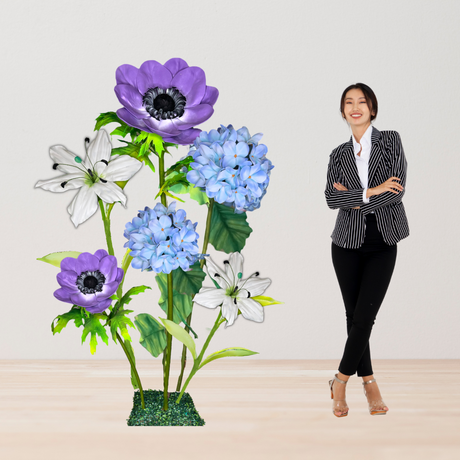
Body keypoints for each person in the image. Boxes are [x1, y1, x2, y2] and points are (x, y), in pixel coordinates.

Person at [324, 83, 409, 417]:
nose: (355, 107)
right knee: (354, 317)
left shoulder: (391, 140)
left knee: (364, 316)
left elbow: (397, 191)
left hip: (383, 241)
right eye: (349, 102)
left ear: (372, 109)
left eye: (362, 101)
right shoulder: (338, 154)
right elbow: (332, 199)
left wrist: (355, 196)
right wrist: (372, 190)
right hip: (346, 243)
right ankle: (369, 379)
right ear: (343, 111)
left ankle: (341, 381)